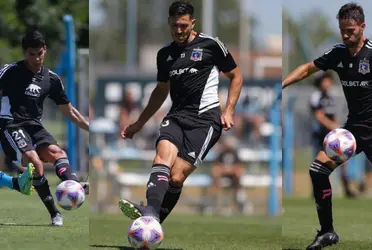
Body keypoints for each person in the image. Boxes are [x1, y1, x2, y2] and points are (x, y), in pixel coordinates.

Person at [118, 0, 242, 224]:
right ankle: (150, 215)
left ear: (192, 23)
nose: (179, 30)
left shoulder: (211, 45)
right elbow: (161, 90)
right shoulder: (164, 55)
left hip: (205, 121)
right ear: (169, 23)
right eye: (174, 25)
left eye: (183, 25)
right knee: (162, 157)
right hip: (175, 117)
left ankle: (154, 219)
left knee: (176, 177)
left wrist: (229, 111)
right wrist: (139, 123)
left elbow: (236, 77)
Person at [282, 3, 371, 249]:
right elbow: (308, 68)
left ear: (362, 27)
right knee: (317, 169)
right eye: (342, 30)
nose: (345, 35)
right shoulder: (338, 52)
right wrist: (283, 84)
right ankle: (327, 232)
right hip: (354, 129)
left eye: (350, 30)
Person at [0, 30, 90, 227]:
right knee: (35, 162)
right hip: (11, 125)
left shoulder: (51, 79)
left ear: (45, 50)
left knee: (58, 153)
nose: (35, 58)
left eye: (39, 53)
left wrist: (89, 127)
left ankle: (74, 185)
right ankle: (55, 214)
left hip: (34, 126)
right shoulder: (10, 71)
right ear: (24, 53)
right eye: (30, 54)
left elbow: (69, 110)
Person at [309, 72, 359, 198]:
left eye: (328, 80)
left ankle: (347, 189)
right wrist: (333, 127)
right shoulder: (316, 96)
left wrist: (338, 129)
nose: (327, 83)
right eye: (324, 80)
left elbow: (333, 116)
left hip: (333, 136)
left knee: (343, 161)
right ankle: (316, 191)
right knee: (319, 163)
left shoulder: (331, 97)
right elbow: (319, 116)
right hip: (321, 135)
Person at [210, 136, 244, 214]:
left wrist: (230, 169)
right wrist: (225, 169)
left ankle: (239, 199)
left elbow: (239, 166)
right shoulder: (221, 153)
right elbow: (216, 166)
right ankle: (215, 202)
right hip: (222, 175)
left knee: (239, 173)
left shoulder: (235, 154)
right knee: (216, 172)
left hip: (233, 176)